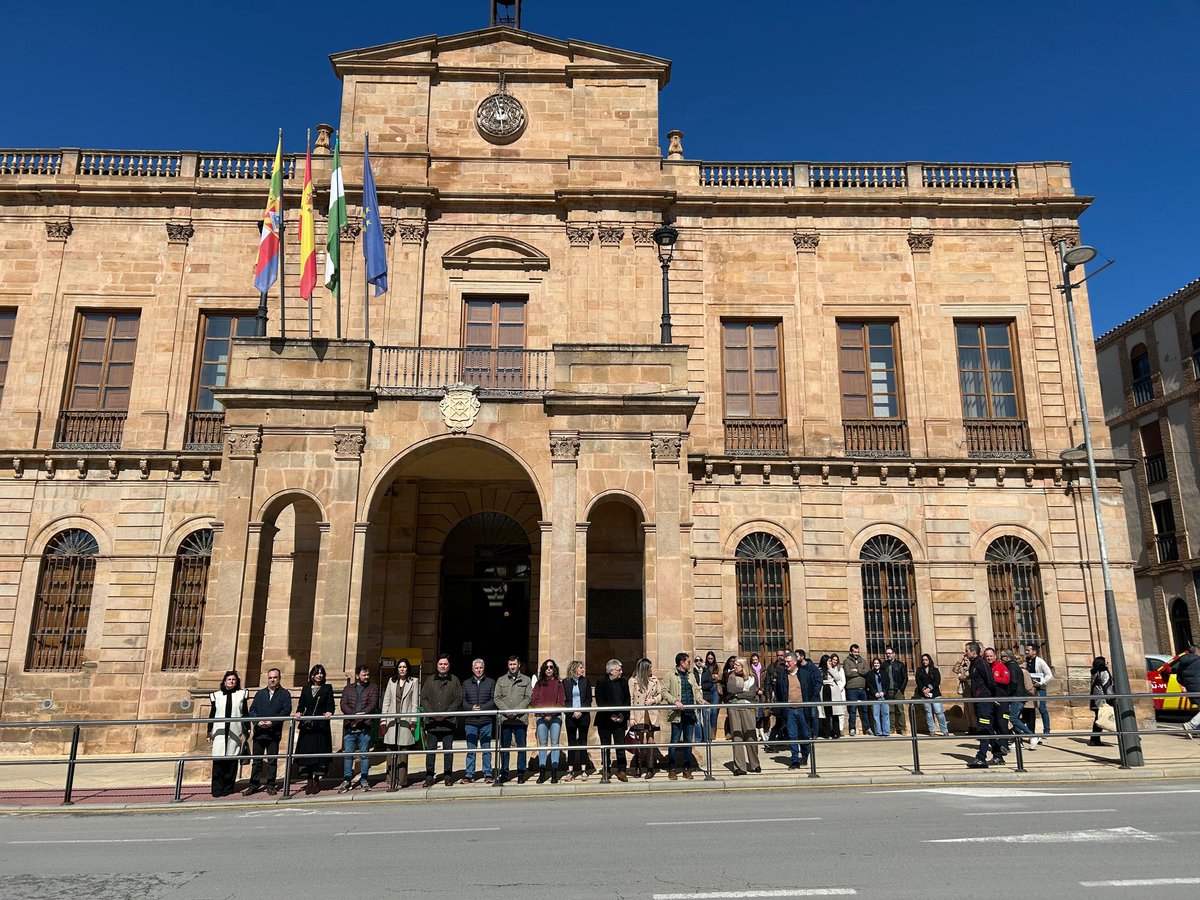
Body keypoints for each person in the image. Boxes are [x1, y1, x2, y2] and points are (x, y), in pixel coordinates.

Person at [243, 667, 291, 796]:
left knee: (272, 761)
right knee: (257, 761)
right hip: (259, 732)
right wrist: (257, 721)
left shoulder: (285, 694)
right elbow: (252, 710)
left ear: (279, 678)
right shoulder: (260, 693)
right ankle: (253, 785)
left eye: (275, 677)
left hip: (273, 733)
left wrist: (272, 722)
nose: (272, 680)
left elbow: (286, 711)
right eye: (270, 678)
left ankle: (271, 785)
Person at [662, 652, 706, 779]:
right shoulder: (669, 675)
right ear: (681, 663)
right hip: (677, 714)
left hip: (689, 713)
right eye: (688, 662)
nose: (689, 664)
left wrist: (700, 699)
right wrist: (675, 701)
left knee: (688, 742)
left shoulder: (691, 676)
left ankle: (687, 768)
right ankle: (672, 768)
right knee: (674, 741)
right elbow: (664, 691)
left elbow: (696, 690)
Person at [421, 653, 462, 787]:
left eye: (445, 664)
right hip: (432, 722)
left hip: (448, 722)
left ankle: (448, 776)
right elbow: (424, 698)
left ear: (449, 666)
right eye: (441, 664)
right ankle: (429, 776)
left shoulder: (454, 681)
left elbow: (458, 699)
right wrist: (433, 714)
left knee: (448, 750)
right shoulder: (429, 680)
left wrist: (446, 714)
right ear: (437, 665)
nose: (443, 666)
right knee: (430, 750)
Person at [338, 664, 379, 793]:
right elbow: (343, 704)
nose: (366, 677)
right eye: (364, 675)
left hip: (365, 727)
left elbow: (372, 704)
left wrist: (359, 718)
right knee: (348, 755)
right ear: (357, 676)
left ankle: (364, 779)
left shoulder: (373, 688)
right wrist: (353, 717)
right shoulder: (348, 688)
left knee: (364, 755)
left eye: (367, 675)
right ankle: (347, 779)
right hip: (350, 727)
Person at [294, 663, 335, 794]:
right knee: (307, 751)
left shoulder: (327, 688)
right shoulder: (306, 689)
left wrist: (329, 712)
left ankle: (317, 779)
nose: (319, 675)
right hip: (307, 724)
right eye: (317, 673)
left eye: (321, 673)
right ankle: (308, 779)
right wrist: (299, 712)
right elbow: (301, 704)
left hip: (320, 724)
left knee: (319, 752)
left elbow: (330, 704)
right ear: (312, 675)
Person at [207, 670, 249, 798]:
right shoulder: (216, 695)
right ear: (224, 681)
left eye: (233, 680)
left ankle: (228, 787)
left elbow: (245, 712)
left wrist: (247, 729)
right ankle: (217, 788)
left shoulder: (241, 694)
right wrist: (209, 732)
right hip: (219, 731)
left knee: (231, 760)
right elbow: (212, 714)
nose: (231, 681)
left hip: (234, 730)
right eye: (229, 679)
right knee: (219, 760)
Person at [380, 657, 419, 791]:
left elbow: (415, 703)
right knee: (390, 750)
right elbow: (386, 701)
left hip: (405, 720)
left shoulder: (414, 682)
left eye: (404, 667)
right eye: (400, 667)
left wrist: (414, 721)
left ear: (408, 668)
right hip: (392, 719)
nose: (402, 669)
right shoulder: (391, 681)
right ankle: (390, 778)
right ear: (397, 669)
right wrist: (383, 719)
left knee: (403, 750)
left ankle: (402, 779)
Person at [494, 655, 532, 784]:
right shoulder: (501, 680)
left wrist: (516, 711)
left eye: (514, 664)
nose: (512, 667)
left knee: (521, 747)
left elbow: (528, 698)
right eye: (510, 664)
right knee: (504, 748)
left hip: (520, 719)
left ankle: (521, 772)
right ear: (507, 665)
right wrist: (507, 711)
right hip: (505, 719)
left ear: (519, 665)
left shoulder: (526, 680)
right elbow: (497, 698)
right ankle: (504, 772)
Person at [966, 642, 1005, 768]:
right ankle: (998, 755)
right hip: (978, 700)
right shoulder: (973, 664)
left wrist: (992, 697)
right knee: (988, 727)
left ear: (973, 651)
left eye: (967, 650)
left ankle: (981, 757)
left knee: (983, 727)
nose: (965, 653)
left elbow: (990, 681)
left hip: (985, 701)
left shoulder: (981, 663)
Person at [595, 658, 631, 781]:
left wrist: (622, 715)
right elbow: (600, 701)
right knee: (605, 747)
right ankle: (606, 770)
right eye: (618, 670)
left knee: (620, 746)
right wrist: (611, 715)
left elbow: (627, 700)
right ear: (611, 671)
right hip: (605, 720)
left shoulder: (623, 682)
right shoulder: (601, 682)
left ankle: (622, 771)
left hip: (620, 720)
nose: (621, 672)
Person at [461, 658, 497, 783]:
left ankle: (487, 773)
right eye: (476, 668)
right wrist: (471, 708)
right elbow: (462, 701)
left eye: (480, 667)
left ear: (484, 668)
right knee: (471, 750)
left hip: (485, 721)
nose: (478, 670)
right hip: (470, 722)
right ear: (472, 669)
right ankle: (469, 774)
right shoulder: (466, 683)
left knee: (486, 749)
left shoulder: (491, 682)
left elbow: (493, 700)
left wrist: (482, 708)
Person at [531, 659, 566, 783]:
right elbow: (535, 700)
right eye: (546, 667)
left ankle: (554, 773)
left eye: (551, 667)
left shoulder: (559, 684)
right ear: (543, 669)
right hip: (541, 717)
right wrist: (545, 713)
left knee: (555, 744)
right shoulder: (538, 684)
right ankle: (542, 772)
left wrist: (551, 713)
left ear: (554, 669)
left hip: (555, 717)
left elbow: (561, 700)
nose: (549, 669)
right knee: (543, 745)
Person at [775, 652, 813, 767]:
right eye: (785, 662)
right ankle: (795, 759)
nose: (786, 664)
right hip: (789, 710)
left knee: (805, 734)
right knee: (792, 735)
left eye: (788, 661)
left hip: (802, 709)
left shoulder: (805, 674)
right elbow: (778, 692)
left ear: (795, 662)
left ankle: (805, 755)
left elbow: (810, 689)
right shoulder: (782, 675)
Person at [629, 656, 664, 777]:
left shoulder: (654, 680)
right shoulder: (633, 681)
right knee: (638, 740)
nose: (652, 669)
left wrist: (653, 700)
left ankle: (650, 767)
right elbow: (631, 699)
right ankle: (638, 766)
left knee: (650, 740)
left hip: (651, 714)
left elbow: (661, 695)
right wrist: (631, 717)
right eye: (650, 667)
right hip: (638, 713)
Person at [725, 657, 761, 775]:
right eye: (734, 665)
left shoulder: (752, 677)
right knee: (737, 736)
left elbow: (751, 694)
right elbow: (730, 689)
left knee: (750, 735)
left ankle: (755, 763)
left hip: (748, 708)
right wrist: (743, 690)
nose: (735, 667)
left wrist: (738, 693)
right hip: (734, 708)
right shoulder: (731, 676)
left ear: (743, 666)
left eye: (737, 665)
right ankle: (740, 766)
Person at [561, 660, 592, 780]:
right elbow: (565, 700)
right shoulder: (566, 682)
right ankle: (570, 771)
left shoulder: (585, 681)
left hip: (583, 716)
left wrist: (581, 711)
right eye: (580, 668)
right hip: (571, 716)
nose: (582, 670)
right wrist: (572, 711)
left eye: (582, 668)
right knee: (572, 742)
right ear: (574, 669)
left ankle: (584, 770)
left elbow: (588, 699)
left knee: (583, 742)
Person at [1000, 648, 1036, 747]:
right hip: (1017, 696)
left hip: (1017, 696)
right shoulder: (1013, 666)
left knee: (1013, 718)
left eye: (1002, 657)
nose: (1001, 659)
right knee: (1014, 718)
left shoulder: (1011, 667)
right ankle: (1018, 741)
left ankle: (1032, 735)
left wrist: (1007, 693)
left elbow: (1014, 682)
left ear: (1007, 657)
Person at [914, 653, 948, 736]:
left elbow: (937, 681)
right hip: (924, 694)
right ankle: (932, 730)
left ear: (929, 660)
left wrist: (930, 688)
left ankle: (944, 730)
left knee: (939, 712)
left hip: (935, 694)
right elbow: (918, 681)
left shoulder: (935, 670)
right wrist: (924, 689)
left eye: (926, 660)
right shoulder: (919, 670)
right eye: (923, 660)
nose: (924, 661)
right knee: (928, 712)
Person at [1024, 643, 1054, 735]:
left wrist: (1041, 683)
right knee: (1029, 710)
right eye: (1026, 650)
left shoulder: (1040, 661)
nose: (1026, 652)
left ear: (1034, 651)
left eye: (1028, 650)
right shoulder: (1025, 661)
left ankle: (1046, 730)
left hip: (1040, 688)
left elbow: (1049, 675)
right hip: (1029, 689)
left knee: (1042, 708)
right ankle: (1030, 731)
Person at [843, 643, 871, 736]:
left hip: (862, 688)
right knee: (852, 709)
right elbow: (848, 673)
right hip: (851, 688)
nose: (856, 653)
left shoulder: (862, 661)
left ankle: (867, 728)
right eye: (855, 652)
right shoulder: (846, 661)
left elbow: (867, 671)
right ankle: (852, 728)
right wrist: (860, 672)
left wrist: (856, 670)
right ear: (851, 652)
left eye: (858, 652)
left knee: (865, 709)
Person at [881, 646, 910, 734]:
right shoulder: (884, 665)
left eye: (890, 653)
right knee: (890, 710)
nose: (888, 655)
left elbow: (905, 678)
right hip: (888, 691)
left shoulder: (900, 664)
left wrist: (901, 689)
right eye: (887, 653)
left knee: (900, 710)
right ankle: (891, 728)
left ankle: (903, 728)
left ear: (894, 654)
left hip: (897, 690)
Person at [1088, 655, 1114, 747]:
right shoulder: (1104, 672)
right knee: (1117, 716)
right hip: (1103, 699)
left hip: (1095, 698)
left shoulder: (1094, 672)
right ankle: (1130, 734)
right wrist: (1112, 697)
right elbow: (1107, 685)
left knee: (1098, 718)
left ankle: (1094, 739)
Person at [1175, 645, 1200, 737]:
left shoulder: (1182, 663)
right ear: (1197, 652)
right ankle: (1190, 725)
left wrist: (1188, 685)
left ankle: (1195, 730)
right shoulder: (1198, 661)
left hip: (1191, 689)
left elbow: (1179, 678)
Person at [953, 646, 978, 734]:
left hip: (971, 690)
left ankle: (975, 727)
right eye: (965, 659)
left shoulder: (972, 667)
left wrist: (961, 677)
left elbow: (968, 678)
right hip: (964, 691)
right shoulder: (963, 667)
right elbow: (955, 670)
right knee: (967, 710)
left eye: (967, 659)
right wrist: (959, 662)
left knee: (972, 711)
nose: (966, 661)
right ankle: (970, 726)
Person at [864, 656, 890, 738]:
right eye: (875, 663)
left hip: (883, 696)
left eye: (877, 663)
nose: (876, 664)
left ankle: (886, 731)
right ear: (873, 664)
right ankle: (878, 732)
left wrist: (884, 692)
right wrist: (875, 693)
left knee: (885, 713)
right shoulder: (869, 674)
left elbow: (887, 683)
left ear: (880, 664)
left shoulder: (884, 673)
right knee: (876, 715)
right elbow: (869, 685)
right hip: (875, 697)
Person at [825, 653, 847, 738]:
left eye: (836, 660)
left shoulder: (840, 669)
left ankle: (839, 730)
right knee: (830, 713)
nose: (834, 661)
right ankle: (831, 731)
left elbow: (841, 680)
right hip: (830, 693)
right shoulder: (827, 669)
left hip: (839, 692)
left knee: (839, 712)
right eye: (833, 659)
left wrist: (838, 689)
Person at [701, 651, 721, 741]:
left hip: (715, 687)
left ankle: (713, 733)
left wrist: (715, 677)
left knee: (714, 711)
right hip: (707, 688)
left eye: (711, 658)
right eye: (708, 658)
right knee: (706, 712)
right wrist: (712, 676)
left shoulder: (718, 666)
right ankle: (707, 733)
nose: (710, 660)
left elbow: (720, 676)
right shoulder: (705, 667)